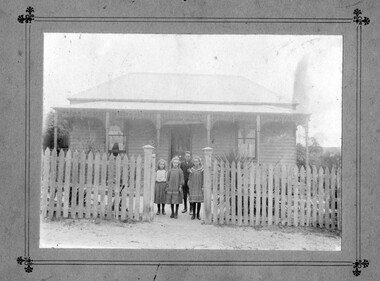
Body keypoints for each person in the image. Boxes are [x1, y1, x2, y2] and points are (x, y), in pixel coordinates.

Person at [188, 156, 204, 220]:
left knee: (199, 201)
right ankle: (193, 214)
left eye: (197, 161)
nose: (195, 163)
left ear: (199, 162)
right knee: (193, 201)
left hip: (199, 186)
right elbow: (190, 178)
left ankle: (198, 214)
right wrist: (190, 186)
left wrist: (202, 186)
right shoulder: (191, 169)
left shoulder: (201, 169)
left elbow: (203, 178)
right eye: (194, 161)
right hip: (193, 186)